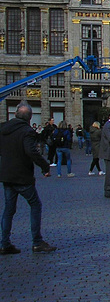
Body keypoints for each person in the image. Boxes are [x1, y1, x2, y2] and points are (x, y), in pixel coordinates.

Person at [0, 102, 56, 254]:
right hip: (22, 175)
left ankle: (4, 243)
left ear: (15, 114)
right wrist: (45, 166)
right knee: (35, 205)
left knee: (9, 209)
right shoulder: (26, 131)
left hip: (6, 175)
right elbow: (31, 151)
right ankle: (37, 242)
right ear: (30, 117)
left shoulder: (3, 128)